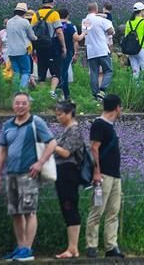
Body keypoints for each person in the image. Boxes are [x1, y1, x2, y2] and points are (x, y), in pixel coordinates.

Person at [0, 92, 56, 262]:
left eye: (23, 103)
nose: (20, 106)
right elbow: (2, 150)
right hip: (11, 173)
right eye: (17, 103)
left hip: (29, 174)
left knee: (29, 211)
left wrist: (40, 162)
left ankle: (28, 248)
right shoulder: (8, 125)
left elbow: (52, 142)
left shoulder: (35, 122)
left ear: (29, 105)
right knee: (15, 212)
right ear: (13, 105)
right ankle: (20, 246)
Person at [85, 94, 125, 259]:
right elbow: (94, 148)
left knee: (113, 211)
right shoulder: (99, 124)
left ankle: (111, 246)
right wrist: (96, 172)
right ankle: (91, 246)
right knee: (97, 210)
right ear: (117, 107)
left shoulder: (110, 125)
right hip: (103, 176)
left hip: (115, 175)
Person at [53, 101, 86, 260]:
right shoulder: (67, 130)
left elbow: (66, 152)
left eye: (60, 114)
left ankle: (73, 248)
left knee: (70, 206)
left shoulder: (74, 130)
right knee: (66, 207)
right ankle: (71, 247)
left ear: (69, 113)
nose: (58, 117)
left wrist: (50, 145)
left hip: (69, 173)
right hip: (62, 173)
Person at [75, 2, 115, 102]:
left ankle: (95, 94)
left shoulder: (84, 21)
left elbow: (85, 34)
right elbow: (111, 31)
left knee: (94, 73)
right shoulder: (100, 19)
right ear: (96, 9)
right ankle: (102, 91)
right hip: (102, 49)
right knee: (108, 71)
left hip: (91, 51)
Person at [31, 0, 66, 94]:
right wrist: (63, 47)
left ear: (42, 3)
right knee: (56, 71)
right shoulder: (54, 14)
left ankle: (42, 94)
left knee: (41, 69)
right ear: (52, 3)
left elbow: (32, 31)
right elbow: (59, 31)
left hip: (39, 45)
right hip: (52, 44)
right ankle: (52, 91)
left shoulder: (35, 14)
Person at [6, 3, 37, 90]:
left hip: (11, 52)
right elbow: (32, 36)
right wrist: (37, 38)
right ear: (24, 12)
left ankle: (15, 92)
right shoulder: (25, 22)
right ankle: (22, 91)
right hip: (22, 51)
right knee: (26, 72)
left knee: (16, 72)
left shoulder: (9, 22)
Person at [124, 2, 144, 78]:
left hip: (131, 50)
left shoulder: (128, 22)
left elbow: (126, 36)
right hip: (141, 49)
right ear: (141, 11)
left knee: (135, 71)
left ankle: (135, 88)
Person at [54, 9, 78, 100]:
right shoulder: (69, 26)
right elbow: (76, 38)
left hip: (56, 51)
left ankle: (66, 93)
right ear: (67, 16)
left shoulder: (56, 25)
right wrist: (84, 34)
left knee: (62, 72)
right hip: (67, 52)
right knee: (63, 73)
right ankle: (59, 91)